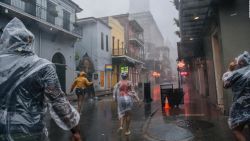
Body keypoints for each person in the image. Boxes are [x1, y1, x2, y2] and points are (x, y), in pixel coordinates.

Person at [0, 18, 81, 141]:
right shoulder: (43, 67)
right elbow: (59, 103)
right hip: (31, 133)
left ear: (7, 41)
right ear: (29, 42)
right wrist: (75, 131)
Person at [223, 51, 250, 141]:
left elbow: (226, 84)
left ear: (241, 62)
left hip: (240, 105)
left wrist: (230, 69)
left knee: (236, 129)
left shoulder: (237, 73)